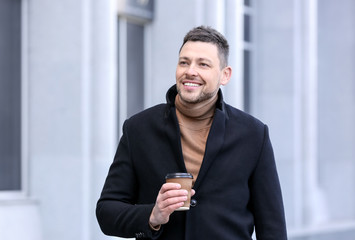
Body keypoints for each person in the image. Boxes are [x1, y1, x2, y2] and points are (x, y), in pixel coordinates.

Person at [96, 25, 287, 240]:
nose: (190, 71)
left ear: (225, 75)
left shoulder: (254, 134)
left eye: (203, 64)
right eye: (184, 62)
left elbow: (272, 228)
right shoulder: (138, 129)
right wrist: (152, 215)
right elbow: (107, 211)